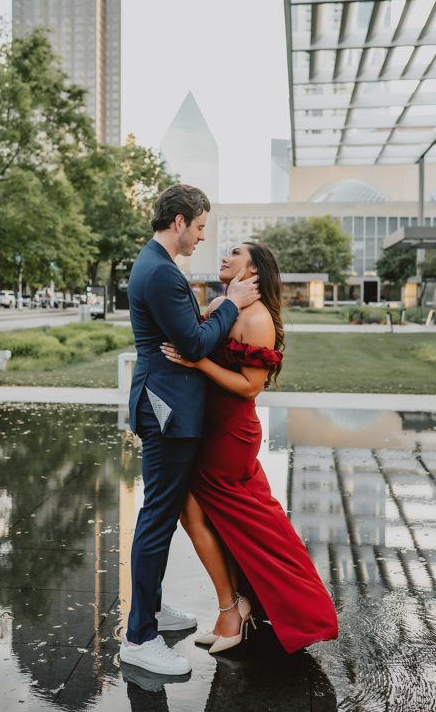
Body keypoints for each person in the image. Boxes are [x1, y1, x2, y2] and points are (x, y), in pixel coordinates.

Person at [162, 242, 339, 655]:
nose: (224, 256)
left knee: (228, 519)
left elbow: (250, 386)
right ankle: (234, 605)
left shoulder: (257, 318)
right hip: (209, 429)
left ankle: (241, 610)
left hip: (230, 435)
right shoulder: (228, 306)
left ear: (254, 270)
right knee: (209, 517)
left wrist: (197, 363)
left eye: (235, 253)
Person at [120, 185, 260, 676]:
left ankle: (152, 611)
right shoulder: (159, 270)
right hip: (167, 411)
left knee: (161, 514)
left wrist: (206, 315)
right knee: (157, 519)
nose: (203, 236)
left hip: (167, 406)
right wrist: (230, 301)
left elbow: (184, 334)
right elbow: (196, 344)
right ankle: (139, 637)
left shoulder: (158, 266)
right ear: (179, 221)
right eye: (200, 227)